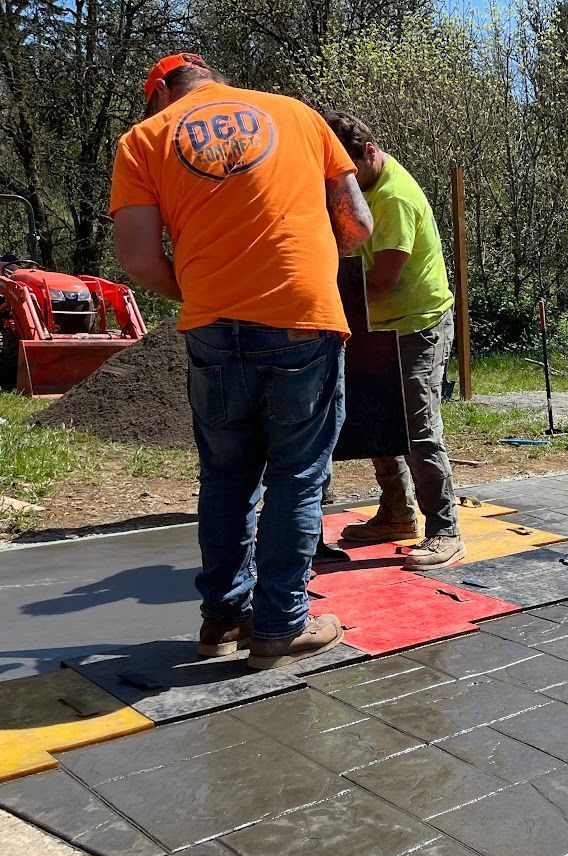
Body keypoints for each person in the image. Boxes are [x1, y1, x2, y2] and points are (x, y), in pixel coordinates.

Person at [110, 53, 374, 669]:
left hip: (212, 326)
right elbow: (357, 224)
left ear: (159, 93)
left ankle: (223, 621)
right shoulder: (300, 117)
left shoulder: (143, 140)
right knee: (297, 473)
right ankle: (281, 627)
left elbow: (141, 261)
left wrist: (207, 290)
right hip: (301, 317)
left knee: (227, 476)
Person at [321, 111, 464, 569]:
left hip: (416, 321)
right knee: (379, 413)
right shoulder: (358, 185)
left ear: (369, 152)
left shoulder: (394, 197)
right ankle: (397, 513)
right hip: (376, 320)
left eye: (347, 170)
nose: (340, 181)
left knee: (417, 427)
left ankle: (446, 531)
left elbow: (382, 278)